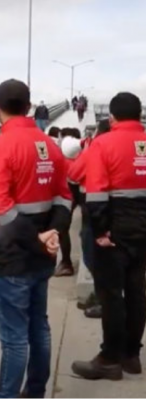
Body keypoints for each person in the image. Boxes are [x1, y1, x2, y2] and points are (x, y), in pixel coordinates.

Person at [0, 79, 72, 398]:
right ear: (30, 107)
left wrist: (38, 238)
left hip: (11, 256)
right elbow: (65, 197)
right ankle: (35, 391)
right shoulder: (50, 144)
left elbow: (3, 210)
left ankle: (6, 395)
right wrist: (52, 235)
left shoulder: (0, 147)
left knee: (14, 338)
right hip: (43, 256)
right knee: (40, 327)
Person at [72, 93, 146, 381]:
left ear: (113, 117)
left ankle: (109, 359)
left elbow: (97, 192)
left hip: (116, 225)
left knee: (112, 294)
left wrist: (101, 231)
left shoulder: (103, 143)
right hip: (143, 228)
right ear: (138, 115)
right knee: (138, 291)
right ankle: (132, 355)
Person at [68, 119, 111, 320]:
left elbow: (74, 173)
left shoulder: (96, 149)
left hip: (93, 209)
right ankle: (102, 296)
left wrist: (88, 148)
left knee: (93, 254)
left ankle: (104, 300)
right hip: (121, 210)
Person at [54, 128, 82, 277]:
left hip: (68, 193)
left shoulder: (61, 159)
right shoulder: (86, 156)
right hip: (84, 191)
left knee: (62, 229)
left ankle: (66, 263)